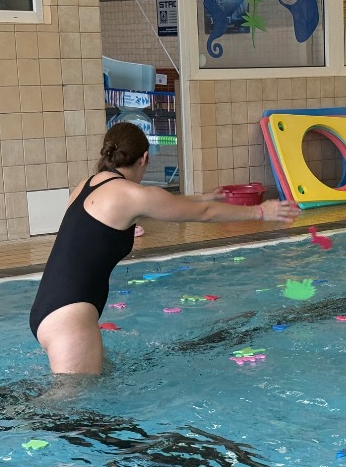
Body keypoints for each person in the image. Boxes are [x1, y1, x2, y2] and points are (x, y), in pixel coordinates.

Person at [29, 122, 299, 375]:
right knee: (72, 406)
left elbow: (168, 203)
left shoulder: (87, 185)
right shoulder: (132, 194)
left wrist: (202, 197)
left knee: (103, 381)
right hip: (70, 320)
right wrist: (260, 211)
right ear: (144, 158)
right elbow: (203, 213)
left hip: (48, 309)